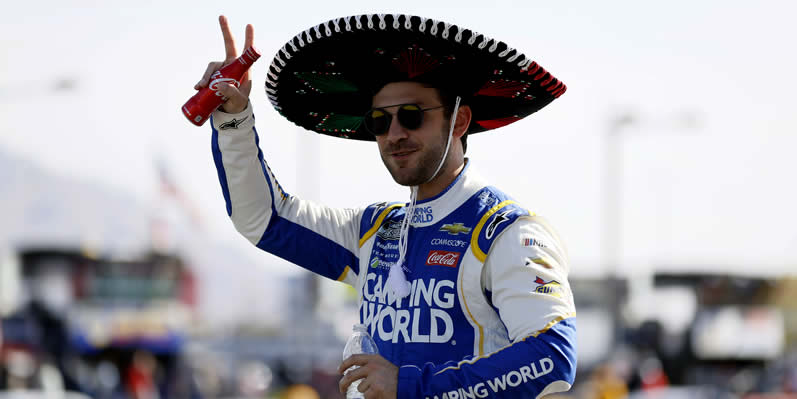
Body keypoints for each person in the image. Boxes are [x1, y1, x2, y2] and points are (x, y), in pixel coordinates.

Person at [195, 14, 577, 399]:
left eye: (412, 116)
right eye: (379, 121)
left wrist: (411, 387)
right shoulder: (376, 231)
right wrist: (234, 119)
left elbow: (552, 356)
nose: (395, 134)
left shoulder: (508, 232)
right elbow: (264, 219)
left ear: (459, 121)